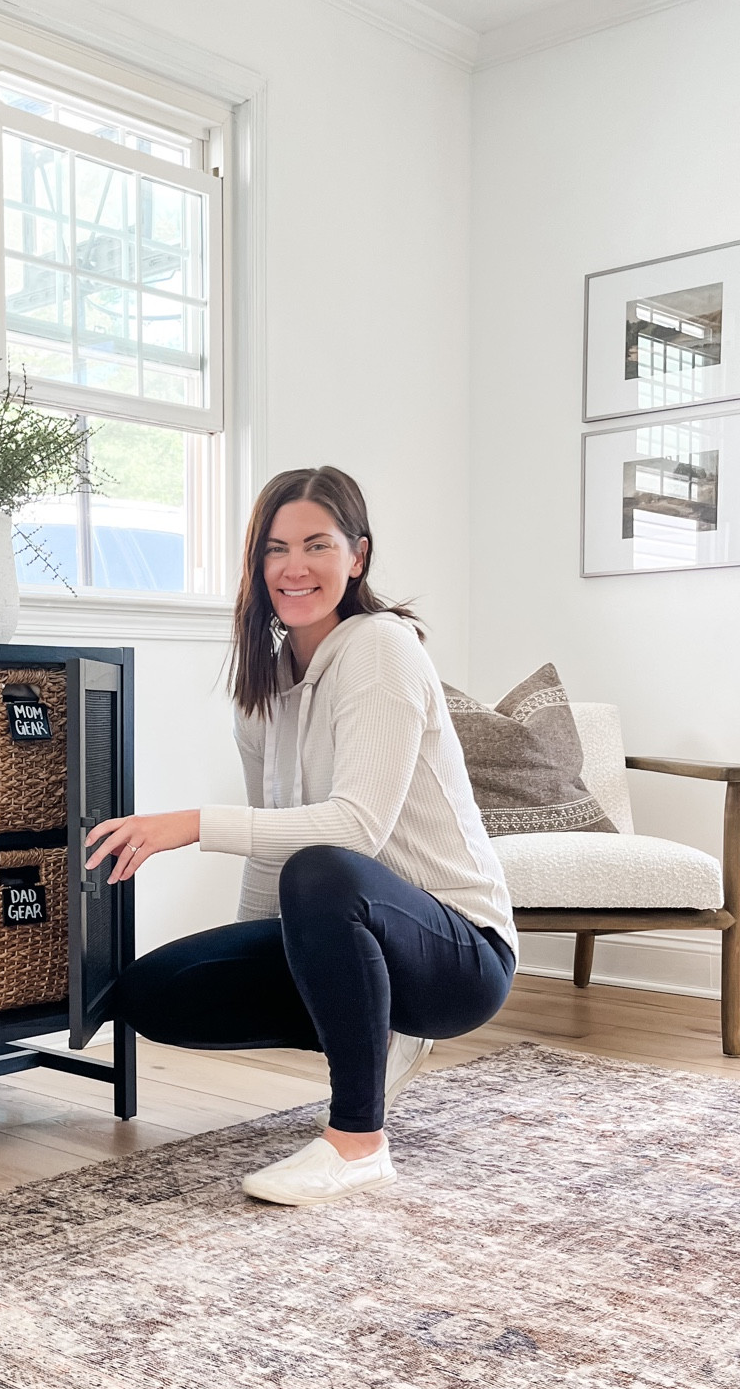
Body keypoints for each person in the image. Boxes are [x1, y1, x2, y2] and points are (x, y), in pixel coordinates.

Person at [85, 467, 516, 1207]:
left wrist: (189, 825)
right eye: (275, 549)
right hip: (354, 932)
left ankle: (358, 1143)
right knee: (154, 994)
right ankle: (372, 1033)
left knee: (323, 870)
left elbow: (356, 829)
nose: (294, 567)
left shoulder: (381, 648)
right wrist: (255, 955)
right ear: (257, 566)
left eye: (317, 545)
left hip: (458, 954)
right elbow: (270, 848)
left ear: (358, 556)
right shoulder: (264, 687)